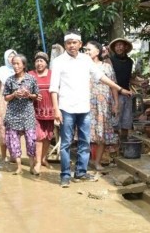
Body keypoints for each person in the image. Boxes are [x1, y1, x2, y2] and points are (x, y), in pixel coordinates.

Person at [50, 30, 132, 188]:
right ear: (65, 44)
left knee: (84, 142)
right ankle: (65, 175)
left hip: (84, 108)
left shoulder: (85, 61)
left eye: (75, 42)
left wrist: (120, 89)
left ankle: (81, 171)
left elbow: (102, 77)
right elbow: (54, 87)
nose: (72, 45)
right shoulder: (59, 61)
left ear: (80, 44)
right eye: (69, 43)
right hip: (66, 107)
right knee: (66, 143)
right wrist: (56, 108)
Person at [85, 41, 119, 171]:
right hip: (85, 104)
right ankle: (86, 161)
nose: (87, 52)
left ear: (98, 51)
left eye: (89, 50)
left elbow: (113, 85)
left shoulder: (107, 67)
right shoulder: (82, 66)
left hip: (103, 106)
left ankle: (97, 162)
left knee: (102, 134)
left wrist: (116, 103)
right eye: (86, 50)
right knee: (85, 133)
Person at [3, 54, 39, 175]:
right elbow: (6, 98)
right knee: (14, 141)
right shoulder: (9, 80)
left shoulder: (31, 79)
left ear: (24, 65)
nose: (16, 66)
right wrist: (14, 94)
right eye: (14, 63)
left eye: (18, 63)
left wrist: (28, 94)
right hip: (13, 114)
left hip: (27, 114)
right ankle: (18, 167)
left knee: (31, 141)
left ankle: (32, 166)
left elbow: (36, 96)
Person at [0, 49, 17, 163]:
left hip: (16, 104)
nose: (12, 59)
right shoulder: (0, 72)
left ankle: (14, 155)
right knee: (2, 129)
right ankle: (3, 156)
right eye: (10, 57)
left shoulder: (19, 71)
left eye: (14, 57)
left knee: (15, 129)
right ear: (6, 58)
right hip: (2, 104)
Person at [28, 52, 54, 175]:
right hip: (35, 109)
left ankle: (44, 158)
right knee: (38, 136)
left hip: (50, 109)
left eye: (41, 61)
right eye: (37, 61)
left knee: (48, 135)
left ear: (46, 62)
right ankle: (37, 162)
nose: (39, 63)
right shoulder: (31, 75)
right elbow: (25, 90)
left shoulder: (52, 74)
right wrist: (32, 96)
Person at [109, 38, 134, 144]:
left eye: (121, 45)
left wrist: (140, 82)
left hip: (127, 94)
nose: (118, 47)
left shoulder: (129, 62)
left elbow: (129, 77)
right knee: (115, 121)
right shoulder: (110, 60)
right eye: (116, 46)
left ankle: (124, 144)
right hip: (114, 94)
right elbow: (110, 79)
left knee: (126, 121)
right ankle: (114, 145)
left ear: (125, 47)